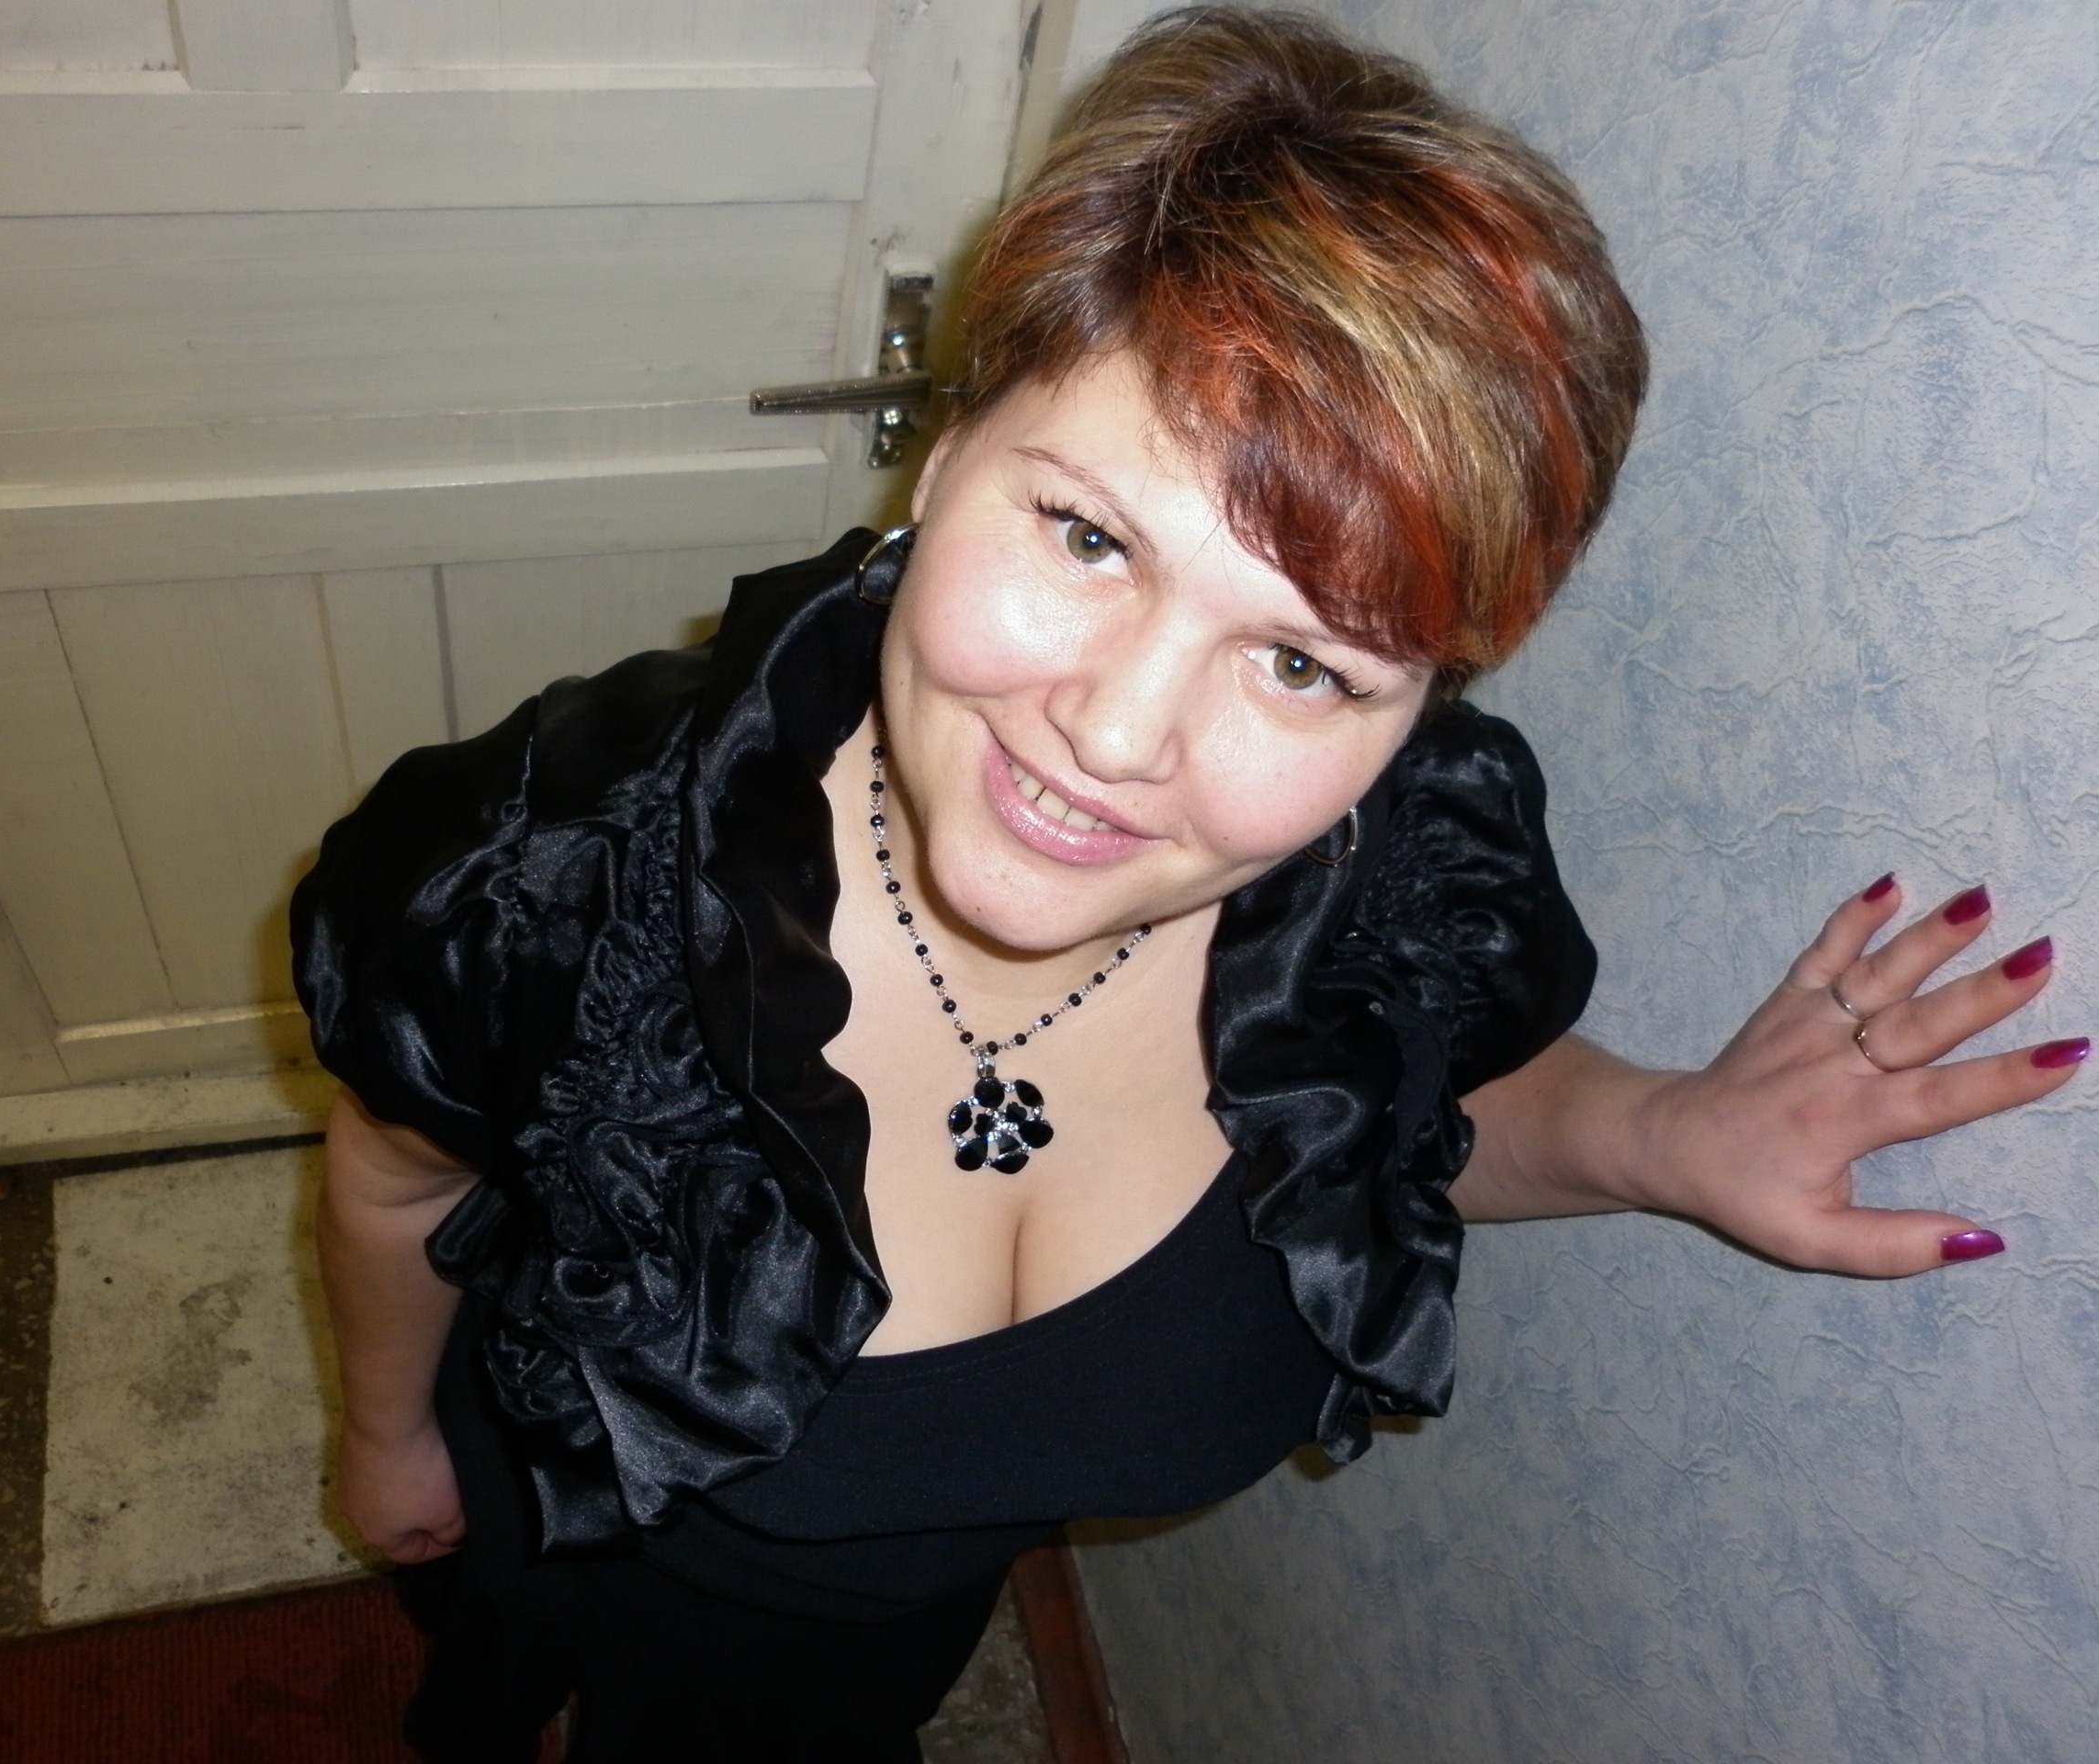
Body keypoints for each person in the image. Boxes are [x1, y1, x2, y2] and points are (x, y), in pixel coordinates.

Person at [290, 10, 2083, 1760]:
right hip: (559, 1518)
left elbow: (1395, 1109)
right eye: (1088, 536)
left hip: (867, 1651)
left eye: (1302, 661)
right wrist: (384, 1442)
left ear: (1416, 708)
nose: (1118, 732)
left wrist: (1665, 1137)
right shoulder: (542, 885)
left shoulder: (1400, 873)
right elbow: (392, 1180)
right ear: (947, 447)